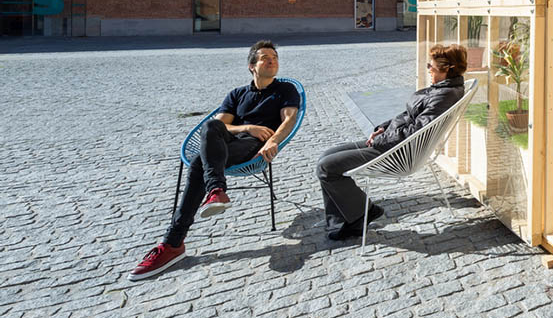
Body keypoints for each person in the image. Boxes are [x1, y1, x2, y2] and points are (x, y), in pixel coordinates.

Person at [128, 40, 301, 280]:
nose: (272, 60)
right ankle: (215, 190)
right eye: (264, 57)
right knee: (210, 125)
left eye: (274, 57)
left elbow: (289, 119)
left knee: (200, 162)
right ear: (252, 66)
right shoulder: (237, 94)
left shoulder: (285, 90)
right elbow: (220, 126)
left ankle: (173, 242)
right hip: (228, 143)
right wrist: (247, 126)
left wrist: (273, 141)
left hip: (253, 148)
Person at [316, 44, 468, 241]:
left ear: (447, 68)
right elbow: (408, 116)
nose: (428, 70)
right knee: (326, 155)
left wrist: (381, 138)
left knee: (327, 167)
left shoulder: (445, 94)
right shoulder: (442, 89)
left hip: (399, 152)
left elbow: (416, 131)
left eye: (431, 66)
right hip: (391, 142)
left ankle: (362, 213)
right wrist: (383, 127)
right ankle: (351, 217)